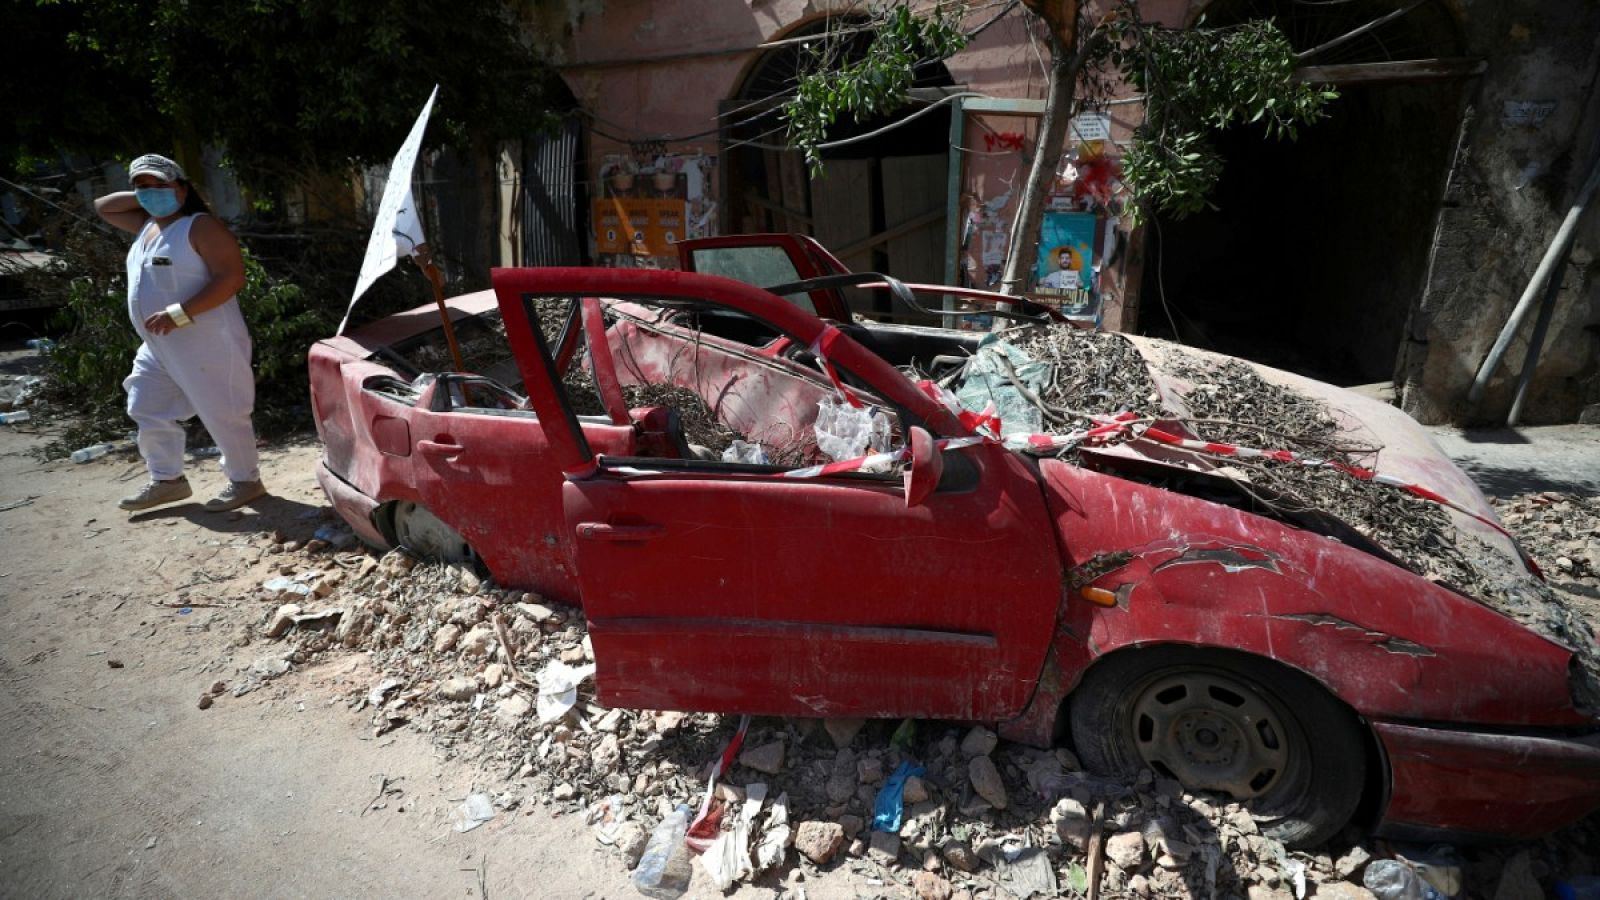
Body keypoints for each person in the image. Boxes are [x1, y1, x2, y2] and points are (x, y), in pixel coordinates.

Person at [94, 153, 266, 512]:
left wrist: (180, 313)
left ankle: (246, 481)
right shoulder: (146, 226)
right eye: (143, 187)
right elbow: (103, 206)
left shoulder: (199, 226)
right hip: (159, 344)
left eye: (161, 186)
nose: (151, 194)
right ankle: (168, 479)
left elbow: (231, 277)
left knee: (223, 411)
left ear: (184, 188)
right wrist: (146, 194)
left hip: (206, 340)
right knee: (145, 404)